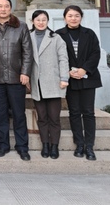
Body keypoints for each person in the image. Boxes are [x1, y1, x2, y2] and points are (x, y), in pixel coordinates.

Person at [0, 0, 32, 161]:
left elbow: (27, 52)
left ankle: (22, 147)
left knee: (19, 114)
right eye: (0, 6)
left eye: (6, 6)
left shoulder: (21, 26)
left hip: (16, 77)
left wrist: (25, 72)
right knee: (0, 114)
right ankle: (3, 145)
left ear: (10, 9)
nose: (3, 9)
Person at [56, 5, 102, 161]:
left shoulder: (89, 34)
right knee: (74, 112)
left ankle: (89, 146)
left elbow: (95, 53)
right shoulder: (58, 34)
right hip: (70, 79)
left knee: (88, 112)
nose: (73, 18)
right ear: (65, 18)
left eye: (76, 15)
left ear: (81, 17)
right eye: (70, 16)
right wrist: (67, 71)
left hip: (88, 78)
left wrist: (84, 69)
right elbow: (56, 56)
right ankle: (79, 144)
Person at [29, 10, 69, 160]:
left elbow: (63, 58)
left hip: (53, 82)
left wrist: (64, 78)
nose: (41, 22)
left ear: (47, 21)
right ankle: (45, 144)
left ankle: (54, 146)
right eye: (38, 20)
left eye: (44, 20)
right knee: (42, 117)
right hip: (36, 82)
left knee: (54, 117)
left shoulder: (55, 38)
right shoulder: (28, 36)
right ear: (33, 21)